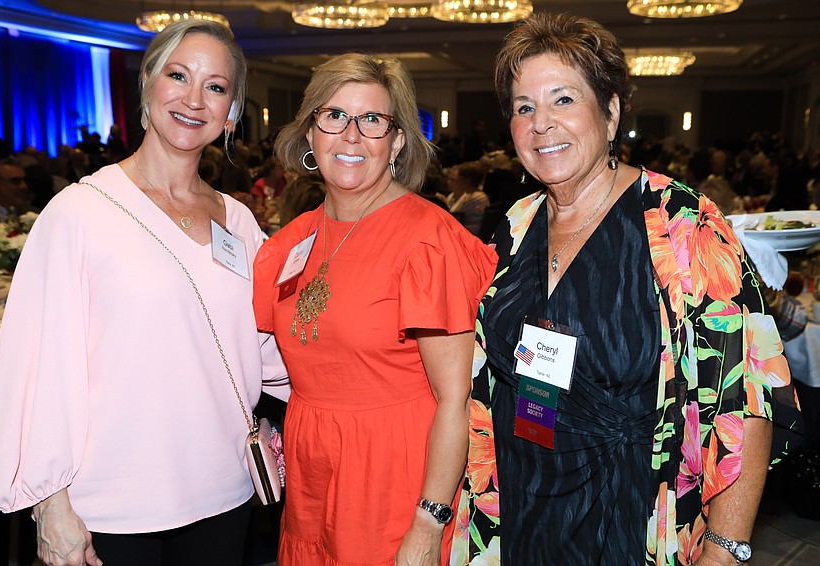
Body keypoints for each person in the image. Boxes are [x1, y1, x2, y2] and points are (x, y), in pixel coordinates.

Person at [457, 12, 800, 565]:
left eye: (563, 100)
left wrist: (725, 547)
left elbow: (748, 393)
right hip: (518, 505)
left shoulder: (683, 225)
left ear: (611, 112)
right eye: (524, 107)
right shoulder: (517, 224)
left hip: (628, 515)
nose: (541, 123)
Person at [0, 19, 288, 566]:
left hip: (224, 491)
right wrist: (49, 503)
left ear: (232, 111)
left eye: (215, 86)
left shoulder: (237, 221)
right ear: (148, 83)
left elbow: (266, 345)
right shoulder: (80, 211)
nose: (194, 99)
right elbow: (39, 365)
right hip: (111, 505)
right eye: (179, 75)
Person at [253, 53, 497, 565]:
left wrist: (428, 524)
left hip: (393, 475)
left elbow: (456, 399)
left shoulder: (427, 241)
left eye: (372, 120)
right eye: (334, 116)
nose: (351, 135)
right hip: (309, 473)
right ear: (310, 134)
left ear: (397, 141)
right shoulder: (287, 244)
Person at [446, 161, 489, 236]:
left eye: (460, 176)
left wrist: (443, 200)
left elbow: (453, 214)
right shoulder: (469, 195)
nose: (458, 179)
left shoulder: (477, 198)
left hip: (469, 234)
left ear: (467, 179)